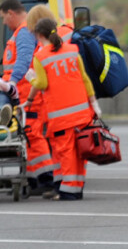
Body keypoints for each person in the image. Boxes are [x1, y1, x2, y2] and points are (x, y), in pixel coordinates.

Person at [26, 18, 100, 201]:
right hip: (82, 112)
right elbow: (84, 79)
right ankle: (75, 188)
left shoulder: (41, 57)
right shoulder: (72, 50)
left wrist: (31, 79)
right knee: (79, 151)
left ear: (39, 35)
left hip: (60, 115)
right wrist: (94, 103)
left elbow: (42, 83)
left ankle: (69, 192)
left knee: (65, 152)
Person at [0, 0, 56, 194]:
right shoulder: (23, 32)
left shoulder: (23, 32)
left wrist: (12, 83)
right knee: (29, 138)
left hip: (22, 92)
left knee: (33, 137)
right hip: (22, 93)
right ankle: (33, 182)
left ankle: (46, 181)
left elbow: (23, 61)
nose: (4, 23)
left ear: (11, 13)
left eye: (4, 18)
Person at [24, 4, 75, 196]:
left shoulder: (49, 43)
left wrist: (31, 85)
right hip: (64, 100)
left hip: (57, 101)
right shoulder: (66, 34)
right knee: (60, 145)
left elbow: (44, 78)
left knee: (60, 145)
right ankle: (61, 185)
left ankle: (61, 186)